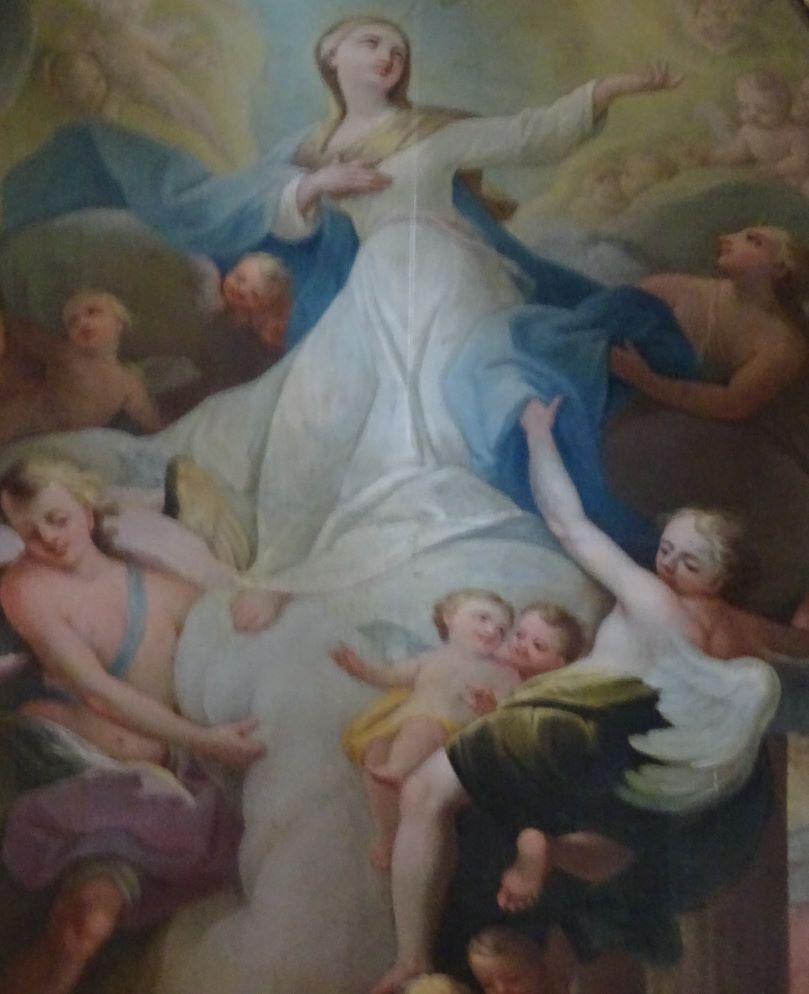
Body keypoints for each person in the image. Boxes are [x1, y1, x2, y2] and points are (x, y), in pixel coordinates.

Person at [371, 395, 809, 994]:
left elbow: (566, 522)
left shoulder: (649, 596)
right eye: (666, 550)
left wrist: (538, 434)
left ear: (721, 575)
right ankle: (547, 848)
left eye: (689, 561)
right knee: (610, 851)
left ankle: (412, 958)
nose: (669, 566)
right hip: (638, 762)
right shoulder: (749, 633)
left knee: (425, 792)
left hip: (563, 724)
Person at [0, 455, 266, 994]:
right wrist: (204, 741)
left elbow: (234, 612)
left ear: (87, 509)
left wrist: (266, 595)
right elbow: (97, 691)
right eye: (29, 532)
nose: (47, 540)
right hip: (54, 765)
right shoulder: (28, 586)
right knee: (59, 927)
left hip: (139, 794)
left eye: (56, 519)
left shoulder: (166, 590)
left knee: (87, 926)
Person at [335, 593, 583, 870]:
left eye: (538, 646)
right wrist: (362, 670)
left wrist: (490, 707)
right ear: (450, 617)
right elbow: (393, 676)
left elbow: (507, 724)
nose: (522, 645)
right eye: (519, 635)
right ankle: (388, 835)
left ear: (557, 664)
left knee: (421, 729)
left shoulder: (511, 678)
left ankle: (398, 769)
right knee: (376, 753)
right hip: (401, 722)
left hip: (444, 731)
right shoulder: (434, 657)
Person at [609, 225, 809, 420]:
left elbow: (729, 405)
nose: (724, 238)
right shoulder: (707, 289)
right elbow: (629, 299)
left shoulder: (780, 347)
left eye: (752, 240)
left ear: (780, 268)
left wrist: (645, 379)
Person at [0, 289, 163, 445]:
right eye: (72, 322)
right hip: (37, 418)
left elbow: (154, 425)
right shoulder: (67, 357)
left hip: (67, 437)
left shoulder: (129, 381)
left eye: (92, 312)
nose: (82, 322)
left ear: (118, 323)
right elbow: (31, 335)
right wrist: (8, 320)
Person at [705, 70, 809, 181]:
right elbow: (739, 151)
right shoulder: (748, 130)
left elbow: (799, 160)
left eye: (764, 110)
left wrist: (776, 169)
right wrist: (710, 157)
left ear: (783, 110)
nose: (752, 115)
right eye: (804, 96)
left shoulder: (795, 133)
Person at [220, 251, 293, 354]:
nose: (242, 290)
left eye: (255, 295)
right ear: (231, 270)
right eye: (239, 279)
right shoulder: (211, 282)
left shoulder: (243, 333)